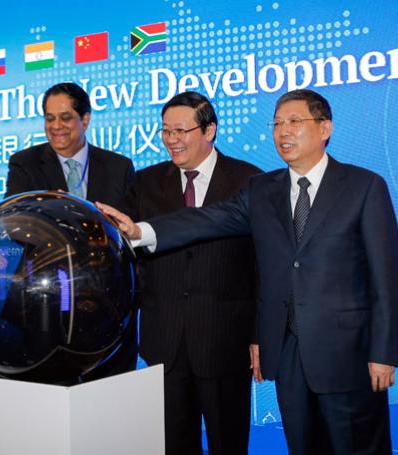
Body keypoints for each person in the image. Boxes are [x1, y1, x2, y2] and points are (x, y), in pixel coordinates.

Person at [98, 89, 398, 454]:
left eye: (294, 122)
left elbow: (385, 279)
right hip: (290, 354)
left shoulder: (363, 186)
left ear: (325, 129)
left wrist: (383, 352)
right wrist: (141, 232)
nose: (282, 132)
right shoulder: (262, 190)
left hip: (348, 353)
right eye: (276, 124)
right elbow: (207, 220)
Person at [114, 91, 260, 455]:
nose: (171, 140)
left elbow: (262, 267)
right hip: (164, 341)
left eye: (181, 130)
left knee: (229, 443)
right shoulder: (144, 182)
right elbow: (125, 254)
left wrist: (260, 336)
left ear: (209, 130)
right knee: (172, 444)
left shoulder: (249, 180)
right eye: (165, 131)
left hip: (225, 341)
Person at [5, 81, 138, 378]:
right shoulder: (25, 164)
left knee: (106, 404)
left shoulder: (119, 167)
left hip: (107, 305)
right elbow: (15, 224)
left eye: (65, 117)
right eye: (49, 118)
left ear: (85, 119)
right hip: (43, 304)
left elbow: (128, 230)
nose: (56, 126)